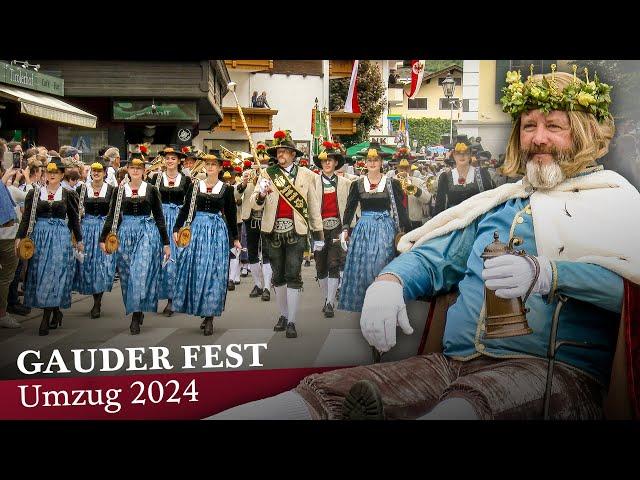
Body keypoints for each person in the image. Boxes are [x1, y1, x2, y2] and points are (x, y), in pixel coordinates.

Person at [211, 67, 640, 420]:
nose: (538, 137)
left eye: (554, 127)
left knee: (467, 405)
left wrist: (549, 274)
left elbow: (629, 291)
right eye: (529, 126)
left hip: (552, 376)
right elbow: (438, 256)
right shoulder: (500, 205)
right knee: (327, 394)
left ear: (583, 133)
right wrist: (393, 281)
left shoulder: (616, 202)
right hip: (451, 365)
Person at [250, 130, 324, 339]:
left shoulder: (308, 176)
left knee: (293, 275)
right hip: (271, 231)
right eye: (279, 151)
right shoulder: (267, 174)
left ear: (293, 154)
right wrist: (261, 194)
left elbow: (313, 206)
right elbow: (253, 204)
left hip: (297, 231)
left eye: (284, 151)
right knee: (278, 276)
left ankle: (291, 320)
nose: (281, 154)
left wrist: (318, 236)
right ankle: (282, 315)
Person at [99, 150, 171, 335]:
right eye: (133, 168)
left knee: (140, 272)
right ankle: (136, 309)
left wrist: (166, 243)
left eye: (139, 168)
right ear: (128, 170)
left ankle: (135, 315)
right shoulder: (119, 190)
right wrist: (103, 238)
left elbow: (160, 217)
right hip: (125, 234)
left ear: (144, 171)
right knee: (126, 276)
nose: (136, 170)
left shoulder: (152, 189)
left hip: (146, 232)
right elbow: (111, 216)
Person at [172, 154, 241, 335]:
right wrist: (176, 228)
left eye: (214, 165)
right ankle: (202, 309)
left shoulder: (225, 189)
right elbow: (186, 208)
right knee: (198, 271)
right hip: (197, 231)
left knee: (214, 273)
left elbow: (232, 215)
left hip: (217, 232)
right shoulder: (195, 186)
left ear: (220, 168)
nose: (210, 167)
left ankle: (210, 316)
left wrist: (235, 238)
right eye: (208, 164)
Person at [337, 142, 411, 313]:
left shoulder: (392, 183)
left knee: (381, 264)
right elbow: (349, 208)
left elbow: (400, 209)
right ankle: (367, 306)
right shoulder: (357, 184)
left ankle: (384, 304)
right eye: (369, 160)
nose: (372, 163)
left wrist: (408, 232)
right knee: (363, 267)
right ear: (365, 162)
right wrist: (346, 229)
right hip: (364, 229)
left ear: (381, 162)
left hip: (385, 228)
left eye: (375, 160)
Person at [15, 156, 84, 336]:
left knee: (56, 275)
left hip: (61, 238)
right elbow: (26, 217)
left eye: (56, 172)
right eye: (49, 171)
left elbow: (75, 219)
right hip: (41, 237)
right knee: (42, 275)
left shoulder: (69, 194)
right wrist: (19, 237)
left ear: (62, 175)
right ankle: (55, 311)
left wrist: (79, 239)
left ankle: (46, 317)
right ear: (45, 174)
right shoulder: (35, 193)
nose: (52, 175)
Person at [311, 141, 353, 318]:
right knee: (320, 267)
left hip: (337, 226)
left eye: (331, 160)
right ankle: (325, 298)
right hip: (318, 229)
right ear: (320, 163)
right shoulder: (313, 182)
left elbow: (351, 207)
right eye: (324, 160)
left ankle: (330, 303)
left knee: (334, 264)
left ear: (336, 163)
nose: (327, 163)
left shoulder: (346, 183)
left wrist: (348, 228)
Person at [150, 145, 192, 316]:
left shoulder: (186, 180)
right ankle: (156, 295)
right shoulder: (155, 179)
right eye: (167, 158)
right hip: (158, 220)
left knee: (173, 259)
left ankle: (172, 299)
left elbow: (189, 204)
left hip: (177, 221)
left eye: (173, 158)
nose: (169, 161)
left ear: (179, 161)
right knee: (157, 257)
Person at [72, 159, 116, 318]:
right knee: (89, 264)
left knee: (103, 265)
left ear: (105, 173)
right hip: (87, 229)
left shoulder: (112, 190)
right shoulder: (81, 189)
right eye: (93, 171)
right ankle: (95, 298)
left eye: (99, 170)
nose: (96, 173)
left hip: (104, 229)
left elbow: (116, 214)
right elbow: (74, 212)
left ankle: (98, 302)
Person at [237, 145, 273, 301]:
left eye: (264, 162)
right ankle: (258, 284)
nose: (260, 165)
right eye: (258, 162)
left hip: (267, 218)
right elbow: (236, 195)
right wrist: (244, 183)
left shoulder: (272, 176)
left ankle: (267, 287)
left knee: (267, 253)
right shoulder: (248, 176)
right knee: (251, 252)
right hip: (250, 218)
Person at [433, 142, 494, 216]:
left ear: (470, 155)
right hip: (453, 224)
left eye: (465, 152)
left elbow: (491, 200)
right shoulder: (445, 177)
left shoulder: (482, 173)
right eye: (458, 153)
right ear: (454, 155)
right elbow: (440, 207)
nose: (462, 156)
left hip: (478, 223)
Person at [0, 165, 21, 328]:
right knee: (6, 277)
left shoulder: (8, 189)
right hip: (5, 237)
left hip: (9, 235)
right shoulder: (4, 186)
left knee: (7, 276)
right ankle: (2, 313)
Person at [393, 148, 431, 231]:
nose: (404, 171)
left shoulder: (418, 182)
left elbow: (427, 199)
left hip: (414, 222)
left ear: (410, 168)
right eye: (401, 168)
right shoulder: (391, 182)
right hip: (396, 221)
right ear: (397, 168)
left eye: (406, 168)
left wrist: (414, 189)